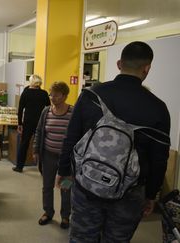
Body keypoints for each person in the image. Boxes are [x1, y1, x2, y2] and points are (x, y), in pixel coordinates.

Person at [56, 41, 171, 242]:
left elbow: (72, 137)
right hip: (130, 192)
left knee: (82, 237)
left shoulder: (91, 94)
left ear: (119, 64)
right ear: (147, 68)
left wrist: (63, 171)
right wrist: (151, 194)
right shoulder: (158, 108)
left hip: (87, 184)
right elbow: (159, 159)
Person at [33, 81, 73, 229]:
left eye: (55, 95)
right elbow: (39, 131)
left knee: (66, 187)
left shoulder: (72, 112)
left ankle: (65, 216)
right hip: (48, 155)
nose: (52, 97)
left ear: (64, 95)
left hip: (66, 160)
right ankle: (48, 212)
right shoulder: (46, 111)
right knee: (47, 186)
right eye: (51, 94)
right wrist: (36, 150)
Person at [13, 74, 50, 172]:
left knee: (24, 143)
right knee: (41, 144)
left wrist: (19, 124)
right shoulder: (44, 93)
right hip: (41, 122)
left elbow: (20, 109)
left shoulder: (26, 93)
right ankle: (42, 167)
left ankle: (19, 166)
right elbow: (48, 108)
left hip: (28, 121)